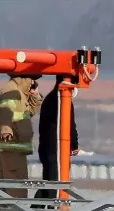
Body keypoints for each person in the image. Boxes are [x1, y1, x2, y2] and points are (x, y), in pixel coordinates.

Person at [0, 74, 43, 199]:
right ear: (24, 79)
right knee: (16, 187)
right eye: (32, 79)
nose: (33, 82)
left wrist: (35, 95)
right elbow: (6, 110)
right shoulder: (11, 91)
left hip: (14, 147)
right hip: (12, 146)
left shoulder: (19, 94)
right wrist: (6, 128)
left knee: (4, 186)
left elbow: (29, 112)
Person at [36, 75, 80, 203]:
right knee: (55, 187)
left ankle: (37, 210)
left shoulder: (50, 99)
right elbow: (69, 125)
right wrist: (74, 144)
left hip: (46, 148)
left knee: (48, 183)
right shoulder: (63, 100)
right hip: (57, 150)